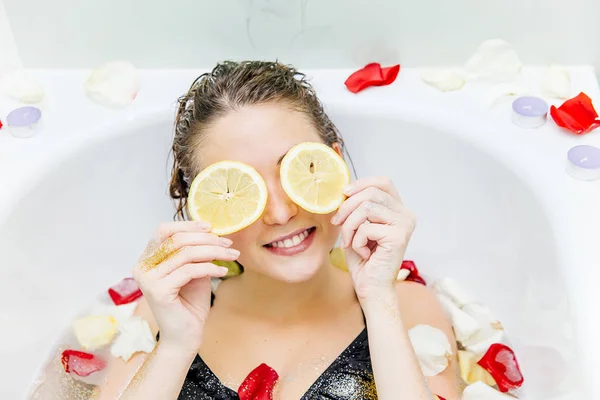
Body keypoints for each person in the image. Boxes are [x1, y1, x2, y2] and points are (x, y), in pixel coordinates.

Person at [97, 61, 461, 399]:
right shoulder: (163, 316)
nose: (282, 212)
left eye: (297, 171)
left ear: (334, 165)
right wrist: (176, 345)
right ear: (205, 207)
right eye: (239, 189)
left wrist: (379, 300)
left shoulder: (403, 305)